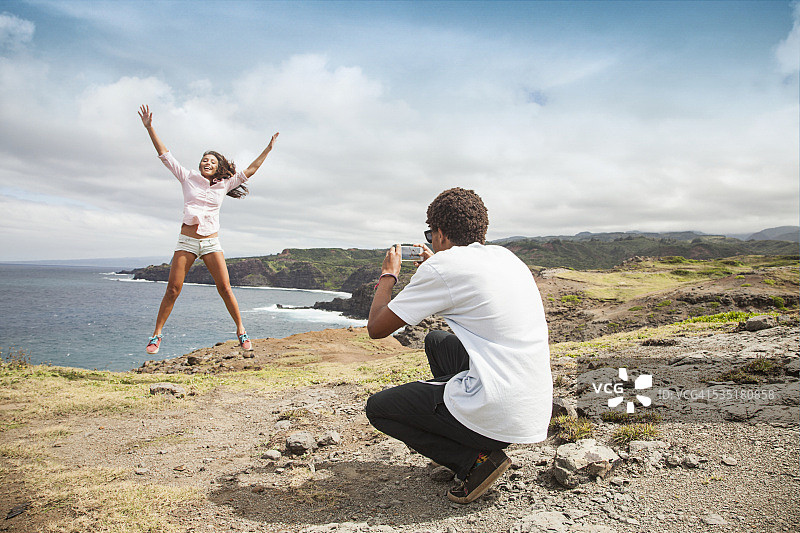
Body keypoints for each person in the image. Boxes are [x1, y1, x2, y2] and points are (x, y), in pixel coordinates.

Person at [365, 187, 552, 504]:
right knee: (437, 340)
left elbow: (376, 327)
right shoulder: (506, 257)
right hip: (531, 410)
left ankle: (474, 461)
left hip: (501, 413)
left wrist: (388, 275)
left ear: (439, 233)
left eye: (430, 233)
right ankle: (462, 428)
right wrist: (438, 262)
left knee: (379, 408)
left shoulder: (444, 268)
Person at [138, 104, 279, 355]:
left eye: (212, 161)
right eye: (205, 159)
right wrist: (150, 127)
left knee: (225, 288)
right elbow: (165, 154)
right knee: (173, 289)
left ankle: (241, 331)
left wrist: (267, 149)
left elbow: (251, 170)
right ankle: (156, 335)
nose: (207, 162)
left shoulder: (224, 185)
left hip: (212, 242)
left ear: (217, 168)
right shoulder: (187, 176)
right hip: (187, 241)